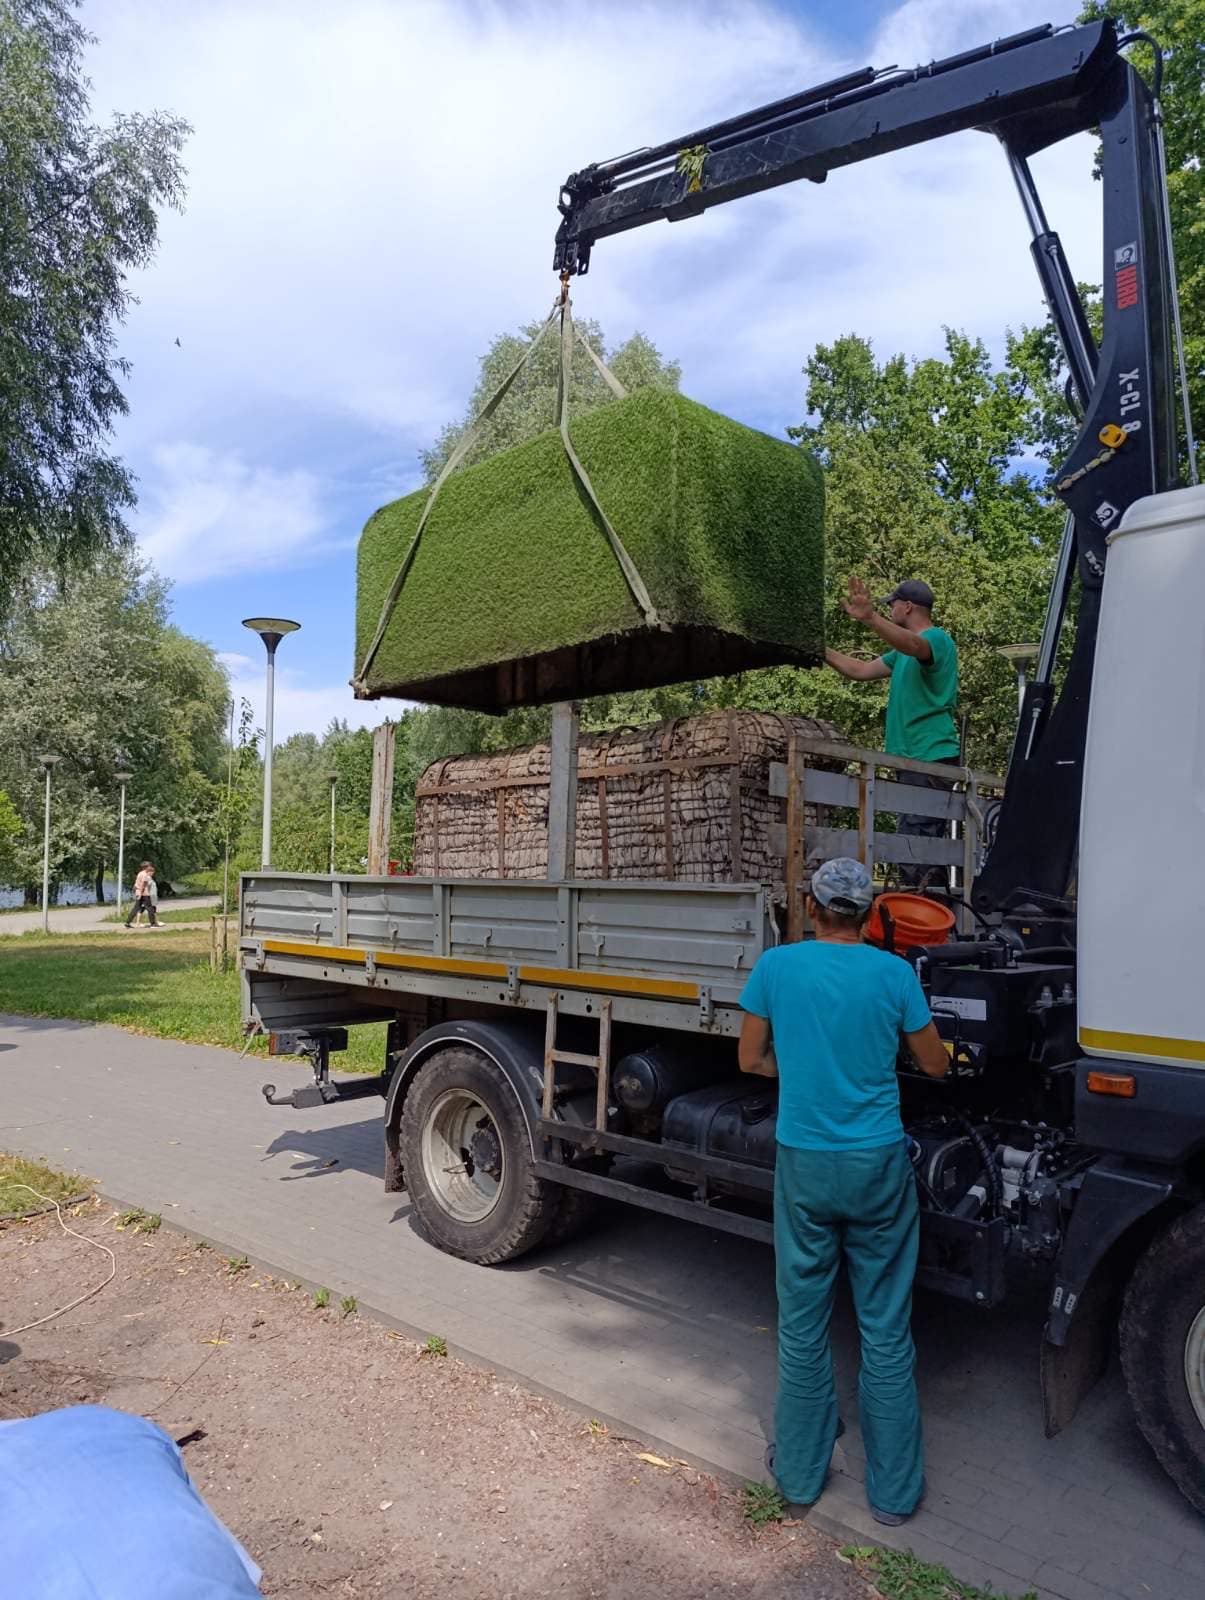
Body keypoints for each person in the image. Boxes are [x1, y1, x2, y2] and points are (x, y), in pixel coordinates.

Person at [738, 856, 949, 1524]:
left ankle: (799, 1479)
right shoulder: (893, 974)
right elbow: (935, 1064)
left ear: (810, 905)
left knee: (801, 1325)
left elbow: (747, 1058)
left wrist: (800, 1070)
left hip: (804, 1160)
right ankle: (893, 1496)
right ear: (868, 914)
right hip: (876, 1164)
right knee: (884, 1328)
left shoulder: (776, 967)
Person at [825, 576, 959, 888]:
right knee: (911, 850)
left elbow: (915, 644)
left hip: (929, 758)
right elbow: (859, 671)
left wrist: (871, 617)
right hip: (912, 760)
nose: (891, 609)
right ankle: (923, 917)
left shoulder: (936, 639)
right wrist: (819, 649)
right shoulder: (901, 656)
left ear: (908, 606)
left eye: (892, 605)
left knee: (917, 852)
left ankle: (926, 923)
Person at [125, 860, 159, 928]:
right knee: (150, 908)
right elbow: (143, 884)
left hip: (138, 893)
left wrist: (137, 892)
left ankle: (128, 922)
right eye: (149, 866)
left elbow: (136, 884)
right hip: (144, 894)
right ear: (146, 867)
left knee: (136, 908)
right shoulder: (145, 874)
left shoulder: (140, 873)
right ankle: (152, 924)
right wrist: (141, 892)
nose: (150, 867)